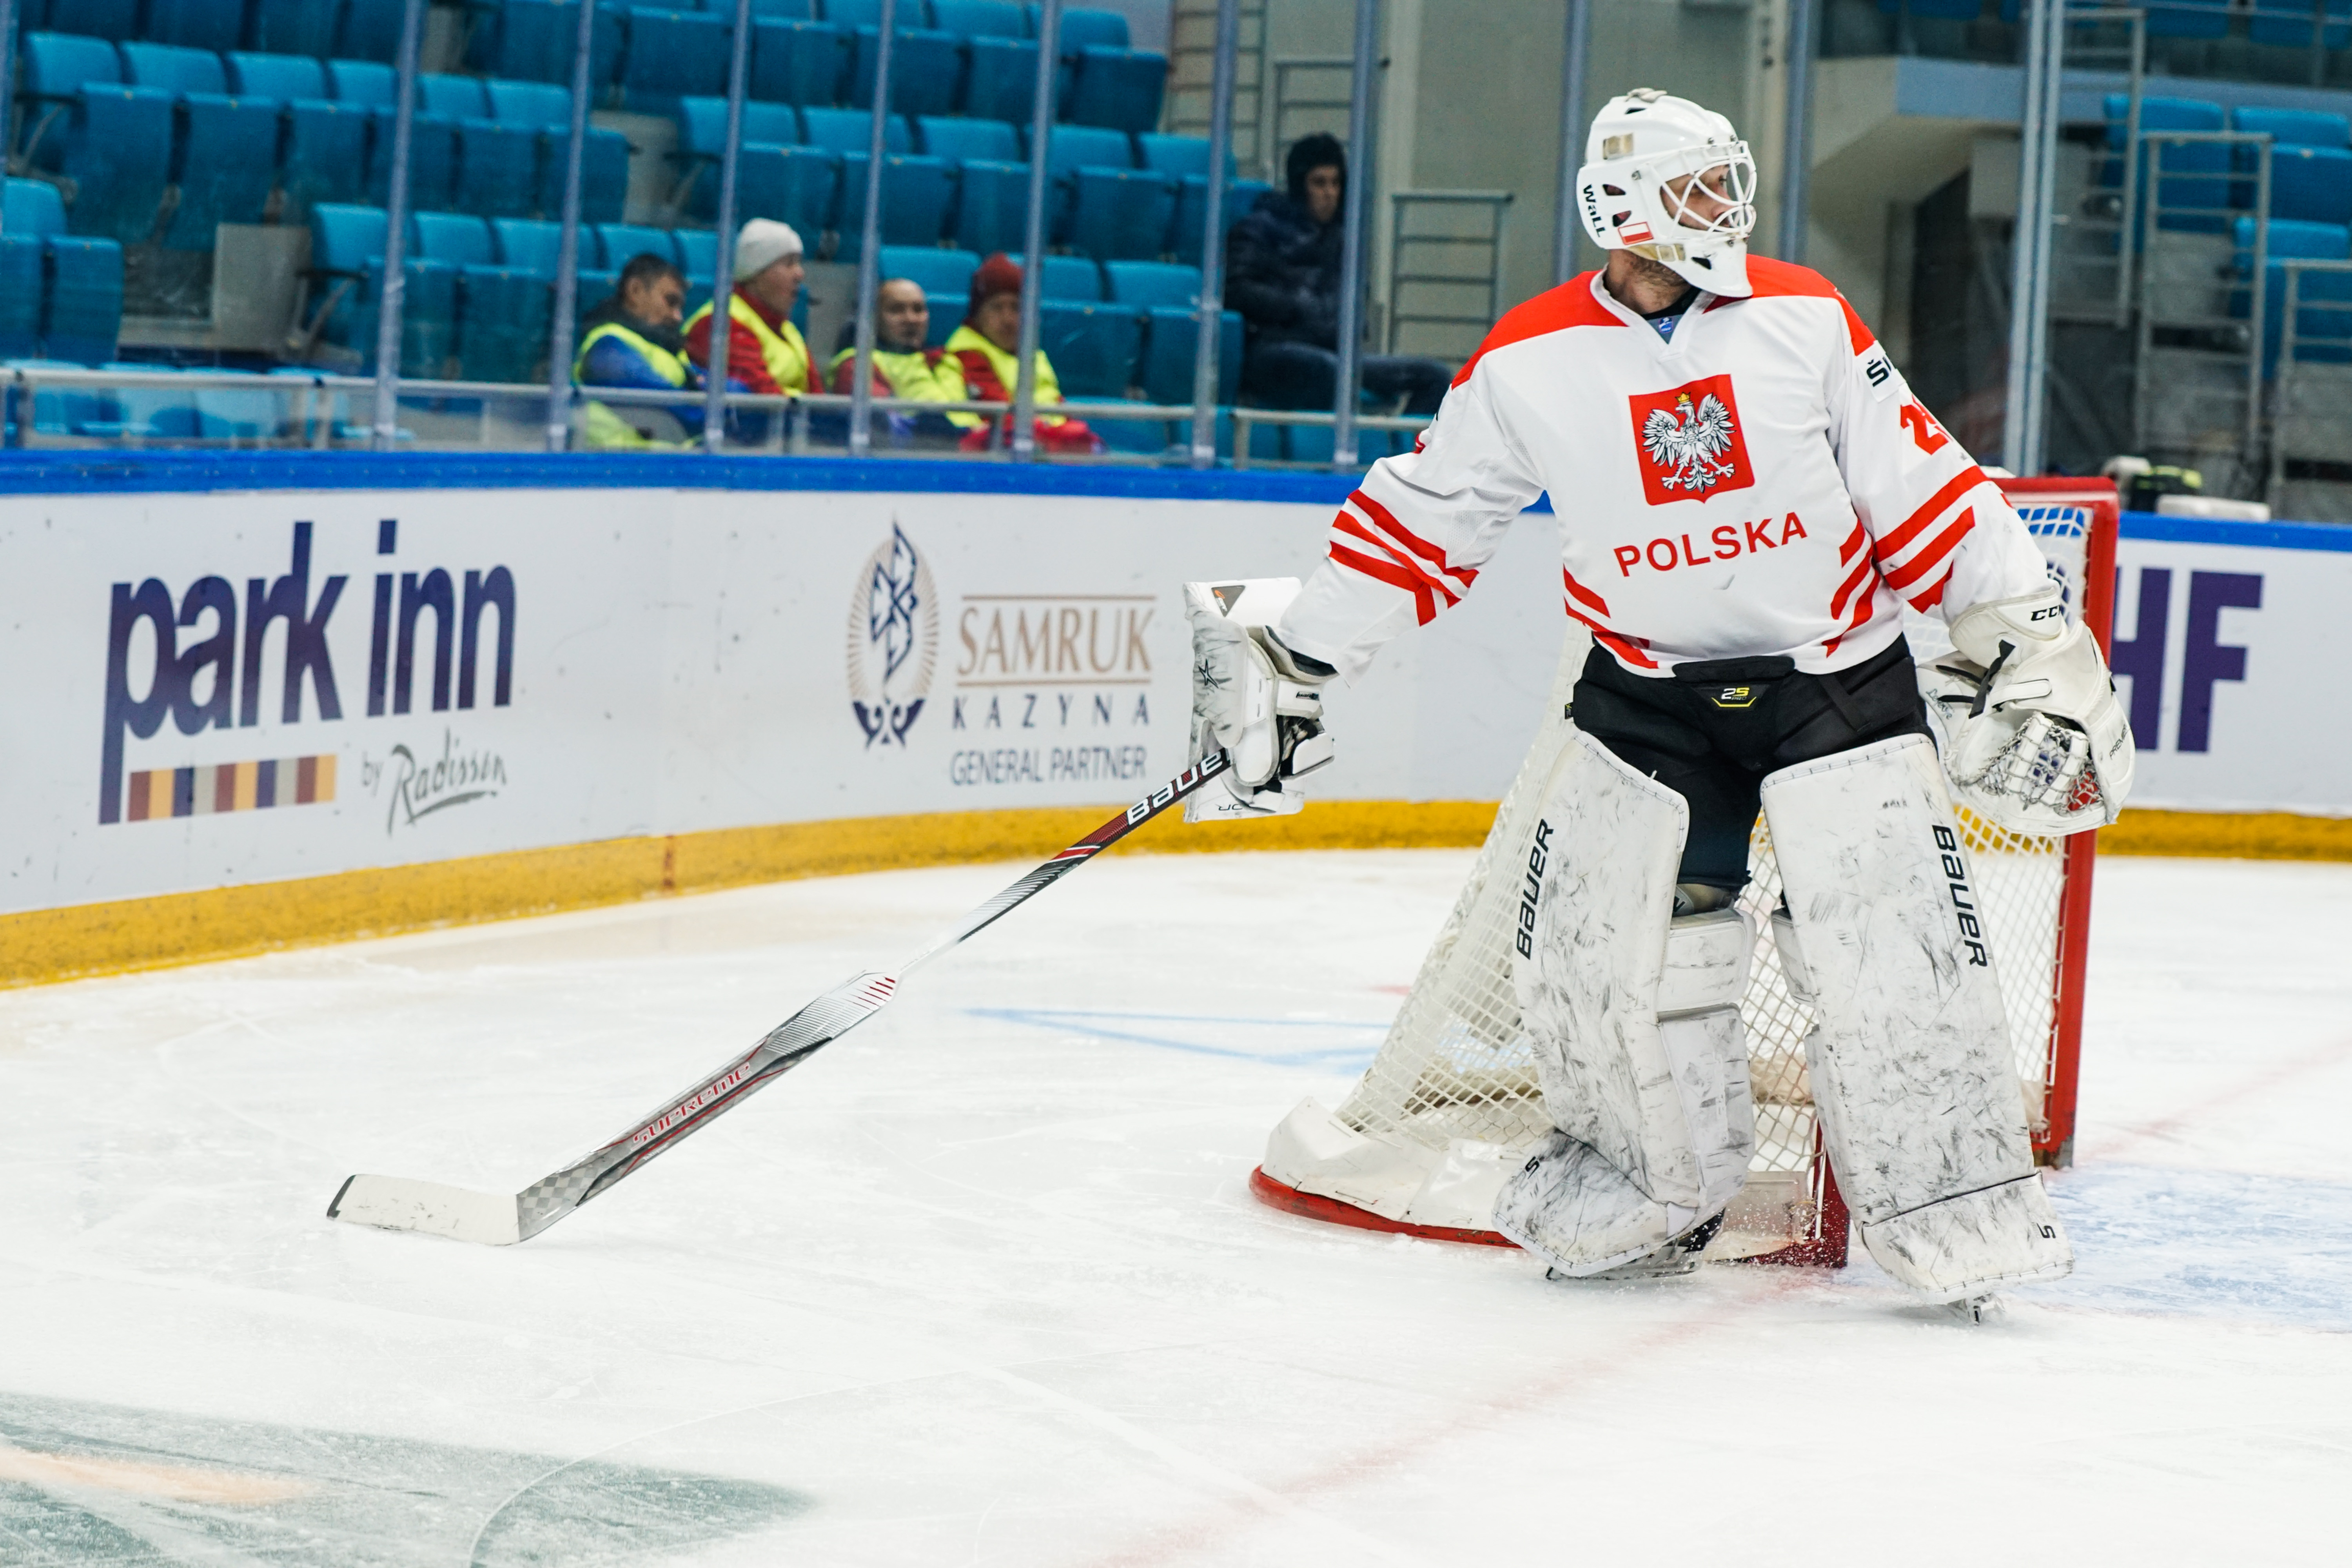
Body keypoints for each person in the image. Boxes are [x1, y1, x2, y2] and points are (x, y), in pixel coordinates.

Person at [1190, 91, 2134, 1309]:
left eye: (1725, 182)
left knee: (1892, 950)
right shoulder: (1527, 358)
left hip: (1835, 682)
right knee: (1619, 967)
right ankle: (1641, 1195)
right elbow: (1421, 519)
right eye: (1696, 186)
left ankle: (1959, 1204)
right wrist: (1301, 658)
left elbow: (1925, 486)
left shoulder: (1803, 314)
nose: (1722, 207)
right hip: (1645, 700)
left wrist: (2025, 630)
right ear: (1621, 206)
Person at [1225, 132, 1450, 417]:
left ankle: (1401, 446)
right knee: (1330, 372)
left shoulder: (1344, 237)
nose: (1330, 193)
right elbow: (1236, 290)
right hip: (1274, 350)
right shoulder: (1258, 229)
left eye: (1336, 183)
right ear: (1299, 186)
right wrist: (1293, 307)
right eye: (1319, 183)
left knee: (1435, 377)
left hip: (1335, 351)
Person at [945, 252, 1101, 454]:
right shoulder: (967, 354)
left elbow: (1055, 405)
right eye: (996, 308)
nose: (1008, 319)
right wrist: (1068, 438)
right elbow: (1000, 418)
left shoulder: (1031, 353)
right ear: (978, 315)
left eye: (1016, 308)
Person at [573, 252, 702, 448]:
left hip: (659, 460)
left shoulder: (663, 348)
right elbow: (677, 407)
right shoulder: (609, 346)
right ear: (635, 291)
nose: (678, 317)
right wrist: (715, 409)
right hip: (614, 461)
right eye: (670, 301)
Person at [683, 218, 817, 404]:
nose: (800, 274)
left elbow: (818, 397)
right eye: (789, 264)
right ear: (756, 274)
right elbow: (761, 401)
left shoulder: (787, 330)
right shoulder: (721, 325)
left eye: (799, 263)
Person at [827, 277, 968, 445]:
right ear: (873, 318)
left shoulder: (946, 361)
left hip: (979, 451)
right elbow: (882, 430)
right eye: (897, 310)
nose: (911, 319)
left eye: (918, 310)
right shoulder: (859, 364)